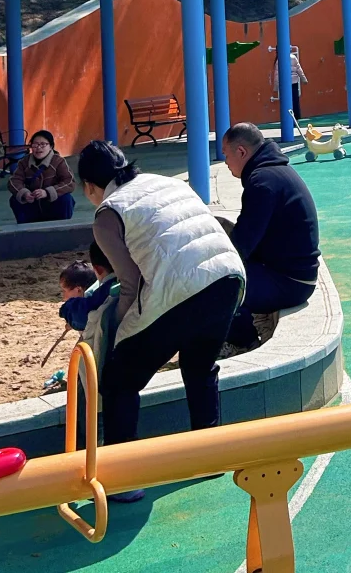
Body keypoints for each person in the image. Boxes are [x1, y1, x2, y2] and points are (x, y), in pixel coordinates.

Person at [77, 139, 244, 498]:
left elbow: (130, 284)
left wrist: (115, 329)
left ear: (89, 186)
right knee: (199, 366)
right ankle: (210, 456)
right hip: (228, 277)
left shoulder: (107, 213)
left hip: (180, 288)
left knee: (119, 381)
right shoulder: (166, 181)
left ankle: (123, 479)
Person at [221, 122, 320, 350]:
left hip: (292, 282)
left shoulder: (262, 182)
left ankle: (243, 343)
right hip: (292, 273)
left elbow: (242, 245)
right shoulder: (273, 172)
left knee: (218, 284)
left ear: (241, 152)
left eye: (226, 155)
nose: (225, 162)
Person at [59, 241, 121, 373]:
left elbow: (82, 316)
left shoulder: (104, 291)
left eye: (64, 291)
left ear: (97, 269)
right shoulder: (130, 278)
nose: (63, 296)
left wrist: (66, 310)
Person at [9, 130, 75, 223]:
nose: (38, 148)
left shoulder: (58, 161)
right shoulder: (24, 162)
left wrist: (48, 192)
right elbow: (14, 181)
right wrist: (25, 193)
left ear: (51, 146)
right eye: (35, 144)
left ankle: (62, 226)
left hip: (52, 204)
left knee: (66, 198)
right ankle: (25, 228)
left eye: (43, 144)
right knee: (15, 199)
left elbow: (70, 182)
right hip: (32, 203)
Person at [272, 44, 308, 123]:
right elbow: (299, 69)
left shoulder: (279, 60)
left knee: (286, 102)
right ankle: (296, 119)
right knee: (295, 101)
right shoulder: (293, 57)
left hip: (284, 84)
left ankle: (288, 119)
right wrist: (304, 79)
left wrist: (276, 87)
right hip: (294, 82)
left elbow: (277, 75)